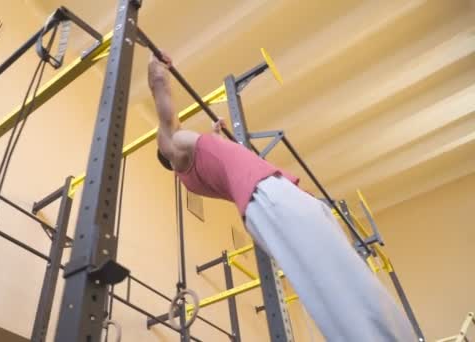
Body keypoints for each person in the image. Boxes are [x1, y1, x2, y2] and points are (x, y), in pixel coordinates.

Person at [148, 53, 416, 341]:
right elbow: (160, 86)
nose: (175, 127)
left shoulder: (195, 160)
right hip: (268, 198)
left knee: (350, 276)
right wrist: (155, 62)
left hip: (276, 195)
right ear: (168, 153)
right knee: (333, 285)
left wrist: (214, 136)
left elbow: (223, 162)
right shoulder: (175, 148)